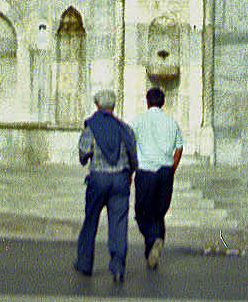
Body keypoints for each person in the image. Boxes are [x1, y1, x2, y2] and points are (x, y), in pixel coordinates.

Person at [75, 89, 138, 283]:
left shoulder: (91, 126)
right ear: (113, 107)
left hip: (99, 179)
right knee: (119, 224)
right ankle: (118, 267)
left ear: (98, 106)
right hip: (120, 179)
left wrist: (88, 156)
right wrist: (129, 174)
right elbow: (133, 155)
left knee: (91, 219)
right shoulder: (124, 128)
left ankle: (85, 263)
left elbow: (84, 153)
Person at [131, 85, 184, 269]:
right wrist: (172, 168)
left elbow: (130, 146)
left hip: (145, 171)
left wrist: (130, 170)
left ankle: (153, 239)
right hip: (165, 171)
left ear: (147, 101)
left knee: (141, 212)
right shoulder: (172, 122)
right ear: (163, 102)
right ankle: (155, 243)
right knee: (159, 212)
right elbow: (179, 148)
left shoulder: (138, 121)